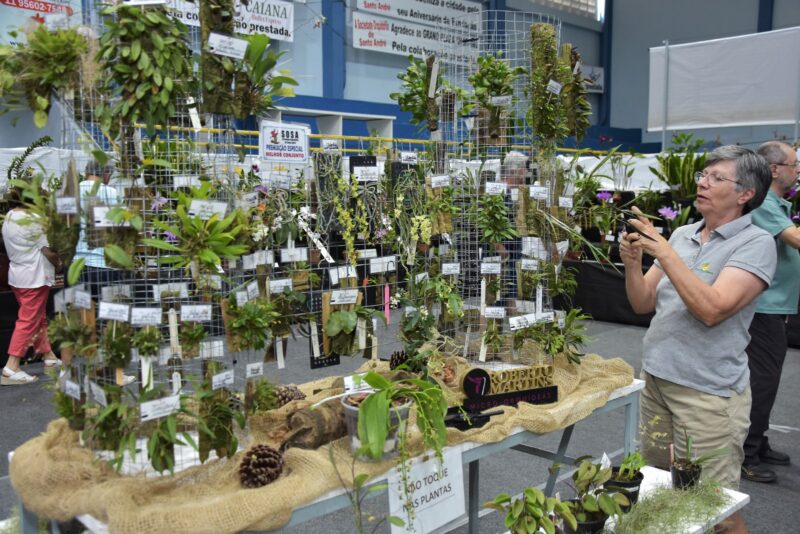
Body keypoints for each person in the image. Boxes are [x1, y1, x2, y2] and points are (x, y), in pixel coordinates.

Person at [621, 146, 775, 534]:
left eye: (717, 178)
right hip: (657, 382)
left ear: (745, 194)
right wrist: (633, 264)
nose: (703, 183)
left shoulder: (756, 243)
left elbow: (712, 309)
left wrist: (663, 252)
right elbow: (642, 302)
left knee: (715, 511)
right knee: (658, 490)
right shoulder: (682, 234)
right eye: (703, 175)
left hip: (707, 395)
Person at [740, 141, 800, 483]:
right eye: (794, 164)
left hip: (776, 306)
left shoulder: (776, 203)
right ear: (774, 169)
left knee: (768, 379)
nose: (798, 170)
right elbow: (795, 239)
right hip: (763, 307)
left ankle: (757, 441)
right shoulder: (762, 202)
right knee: (761, 380)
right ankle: (745, 453)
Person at [1, 189, 63, 385]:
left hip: (17, 275)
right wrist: (59, 264)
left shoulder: (10, 215)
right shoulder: (34, 220)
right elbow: (48, 251)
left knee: (37, 318)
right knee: (28, 321)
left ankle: (49, 356)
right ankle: (11, 366)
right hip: (34, 278)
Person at [74, 160, 119, 297]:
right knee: (105, 308)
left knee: (78, 308)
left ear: (86, 172)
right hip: (103, 264)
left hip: (75, 265)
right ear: (106, 173)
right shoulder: (112, 193)